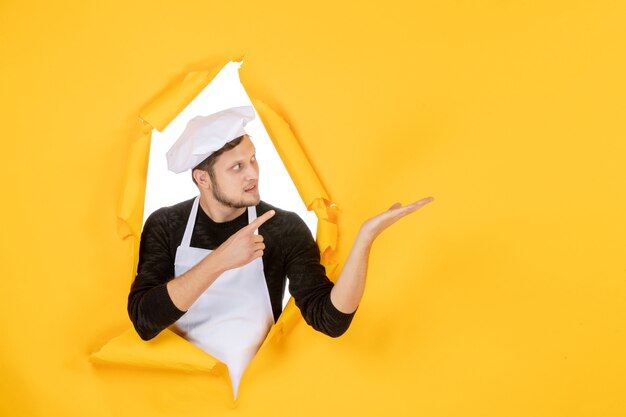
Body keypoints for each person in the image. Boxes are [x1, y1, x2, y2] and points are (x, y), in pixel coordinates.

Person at [127, 106, 434, 397]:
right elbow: (144, 320)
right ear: (202, 178)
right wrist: (220, 260)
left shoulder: (282, 227)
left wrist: (365, 239)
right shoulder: (167, 224)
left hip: (256, 395)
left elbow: (330, 319)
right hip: (184, 395)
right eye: (237, 167)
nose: (253, 174)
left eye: (253, 160)